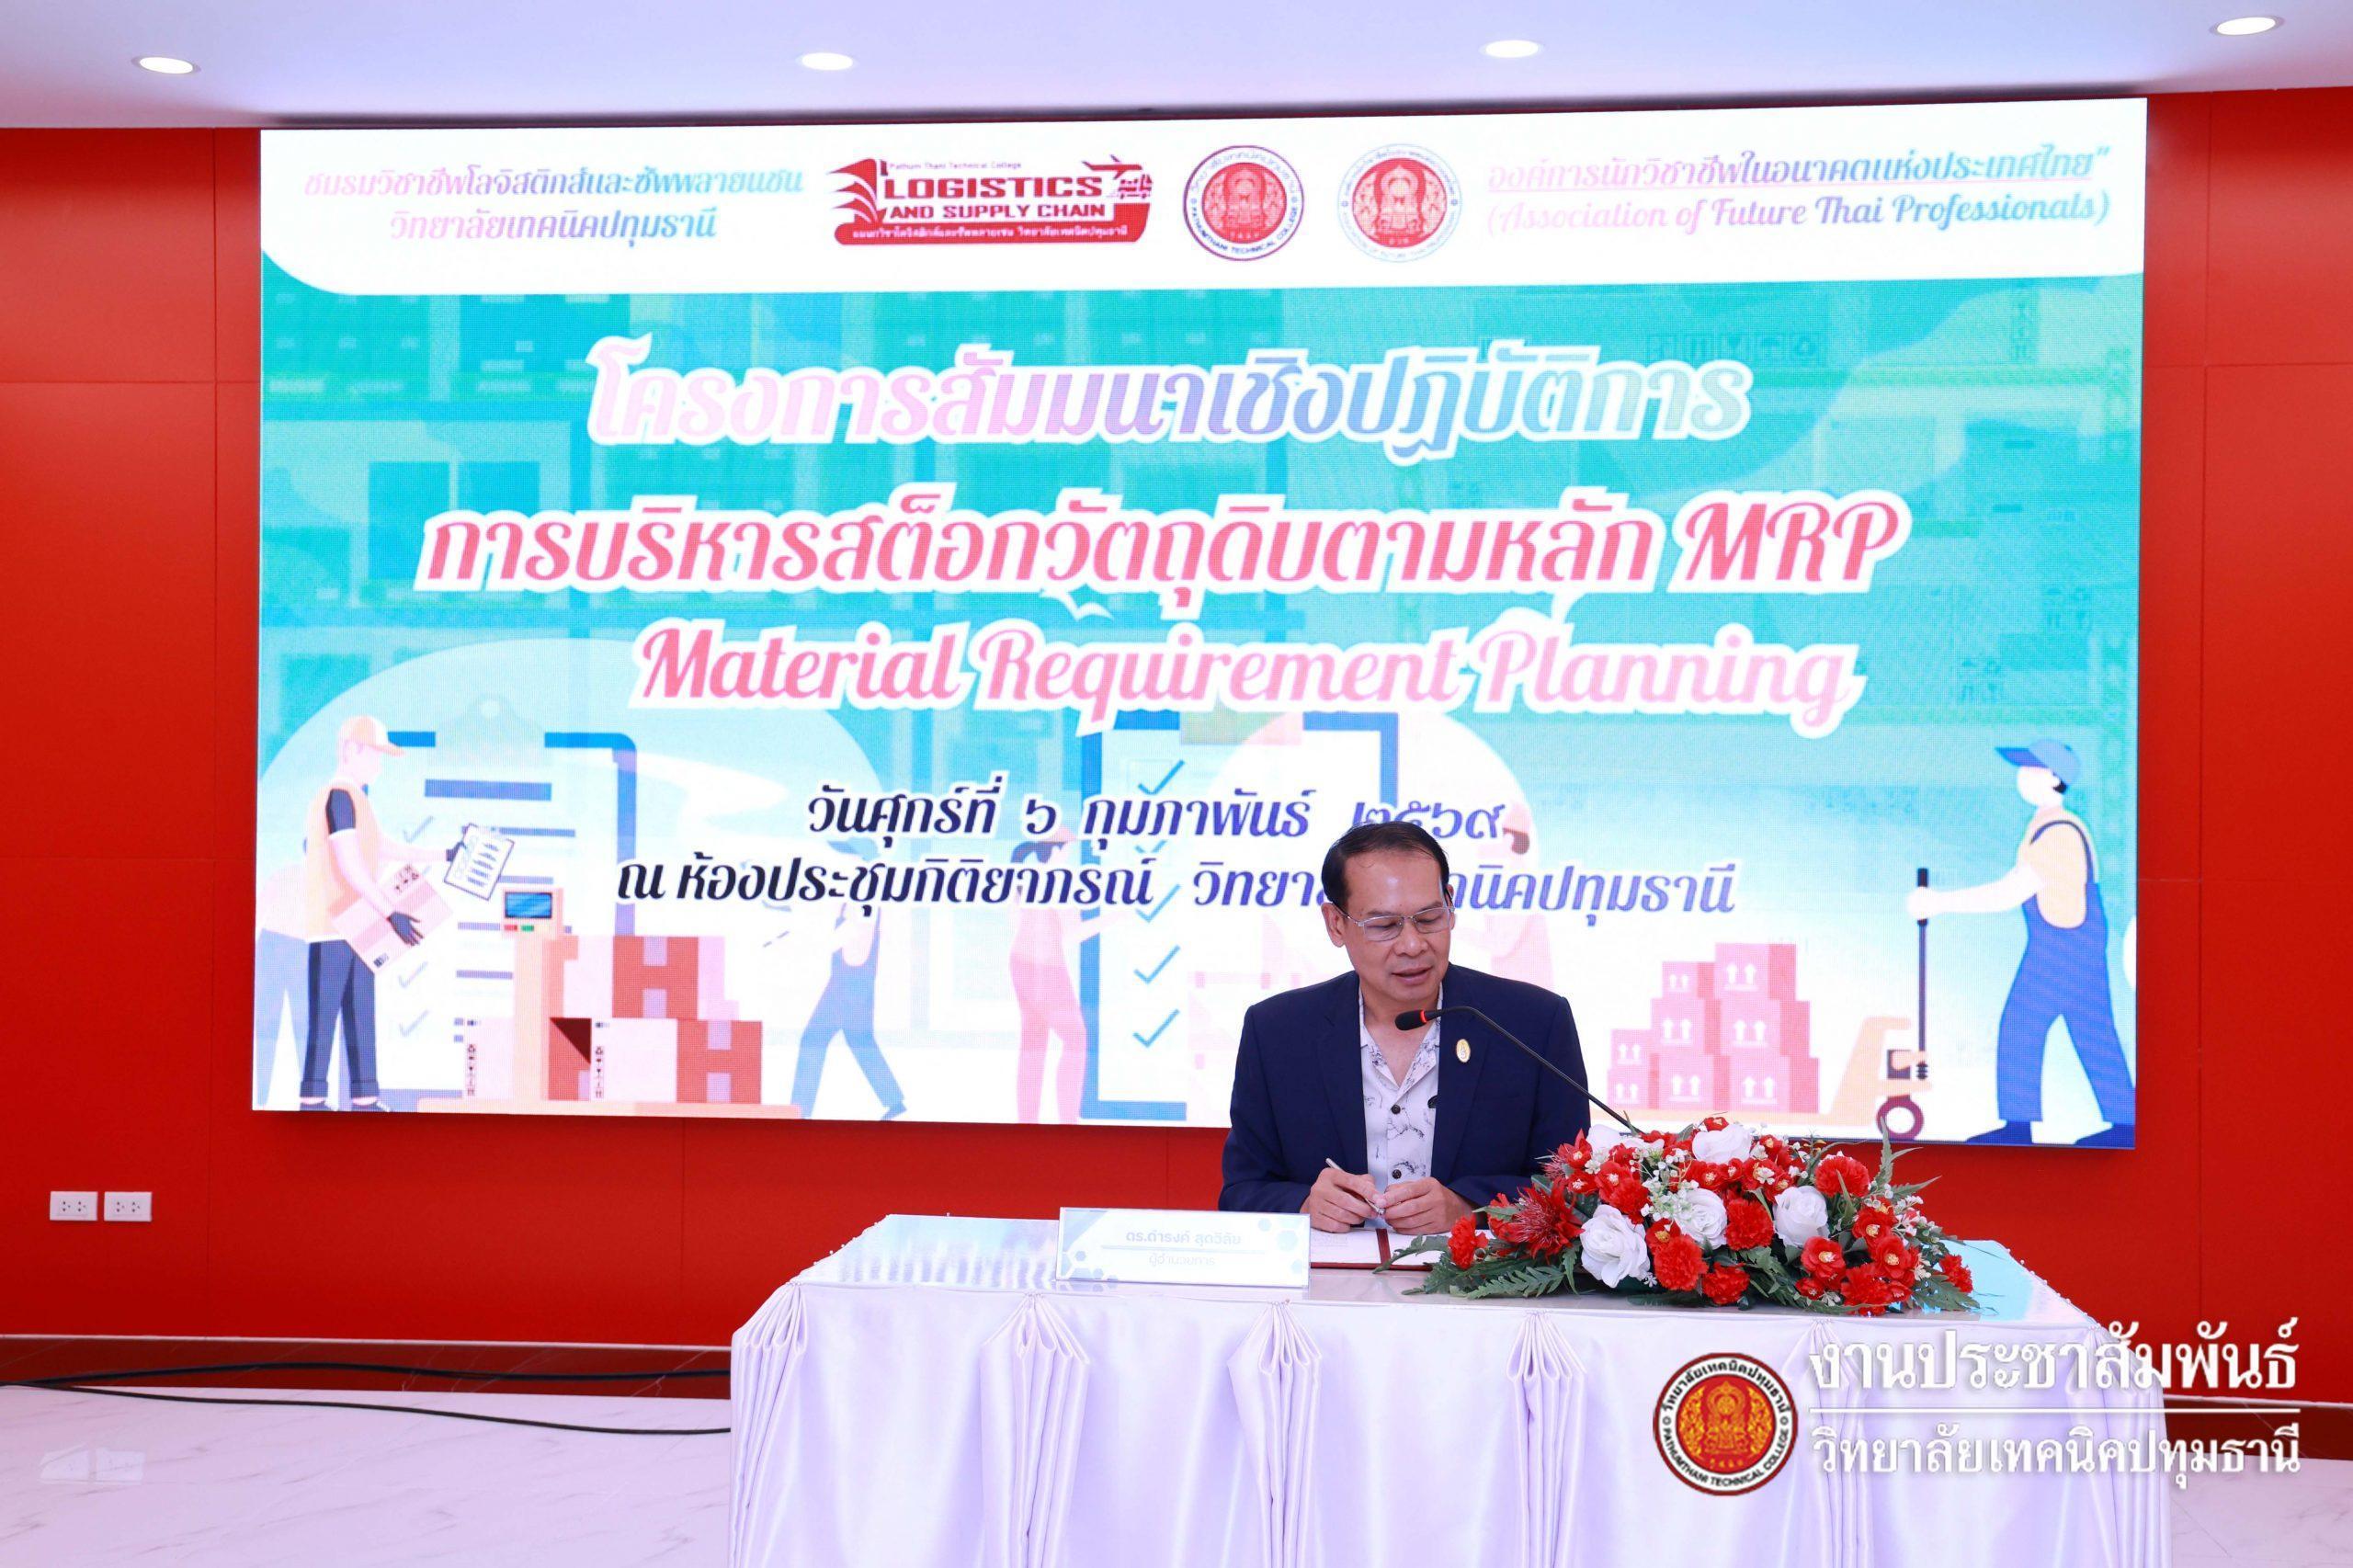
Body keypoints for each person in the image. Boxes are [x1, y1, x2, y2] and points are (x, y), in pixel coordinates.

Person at [1220, 821, 1591, 1233]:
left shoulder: (1533, 1024)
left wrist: (1470, 1208)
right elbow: (1242, 1192)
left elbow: (1574, 1189)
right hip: (1328, 1273)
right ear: (1336, 924)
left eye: (1429, 918)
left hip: (1477, 1275)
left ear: (1450, 905)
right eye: (1384, 926)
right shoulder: (1277, 1032)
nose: (1413, 945)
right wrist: (1305, 1205)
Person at [1907, 740, 2135, 1148]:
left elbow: (2010, 892)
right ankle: (2110, 1122)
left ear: (2054, 778)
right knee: (2077, 1030)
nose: (2022, 776)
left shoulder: (2059, 833)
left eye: (2031, 768)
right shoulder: (2046, 824)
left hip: (2064, 950)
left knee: (2036, 1028)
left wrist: (1939, 902)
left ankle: (2037, 1125)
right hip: (2063, 945)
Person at [298, 716, 449, 1110]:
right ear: (352, 750)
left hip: (358, 925)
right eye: (376, 755)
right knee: (325, 1017)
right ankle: (312, 1101)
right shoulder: (338, 797)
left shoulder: (357, 799)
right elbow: (350, 863)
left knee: (360, 1013)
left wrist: (446, 854)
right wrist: (390, 912)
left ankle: (365, 1099)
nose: (379, 765)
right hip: (333, 926)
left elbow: (387, 847)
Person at [789, 845, 907, 1120]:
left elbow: (855, 937)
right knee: (860, 1038)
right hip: (853, 979)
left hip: (850, 980)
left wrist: (812, 943)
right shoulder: (854, 894)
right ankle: (894, 1101)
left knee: (813, 1039)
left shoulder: (864, 897)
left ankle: (800, 1111)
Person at [1009, 833, 1091, 1124]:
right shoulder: (1058, 883)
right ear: (1057, 851)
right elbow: (1074, 934)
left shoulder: (1024, 880)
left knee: (1033, 1043)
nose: (1070, 855)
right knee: (1075, 1039)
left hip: (1020, 964)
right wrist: (1116, 917)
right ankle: (1068, 1122)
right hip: (1048, 970)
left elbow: (1015, 923)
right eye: (1068, 849)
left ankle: (1027, 1121)